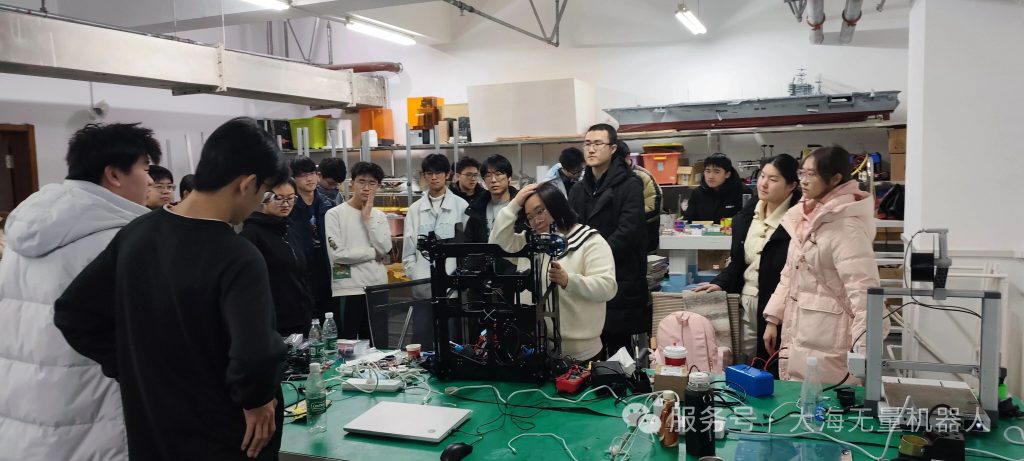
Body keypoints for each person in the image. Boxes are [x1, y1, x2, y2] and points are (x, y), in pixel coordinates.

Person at [54, 117, 289, 461]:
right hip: (223, 434)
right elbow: (254, 355)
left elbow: (74, 314)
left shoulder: (136, 233)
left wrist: (134, 369)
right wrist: (257, 399)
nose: (259, 203)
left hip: (153, 428)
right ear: (247, 183)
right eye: (264, 192)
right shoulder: (237, 255)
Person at [0, 123, 159, 461]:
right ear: (113, 174)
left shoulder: (21, 235)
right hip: (94, 413)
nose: (150, 180)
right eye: (145, 168)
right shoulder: (119, 241)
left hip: (24, 410)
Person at [763, 146, 885, 384]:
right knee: (800, 398)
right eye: (802, 173)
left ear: (836, 178)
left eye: (812, 174)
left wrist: (864, 351)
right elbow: (790, 274)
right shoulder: (804, 218)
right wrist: (773, 318)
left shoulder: (846, 226)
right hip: (802, 329)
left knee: (826, 400)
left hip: (830, 337)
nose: (804, 180)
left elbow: (864, 293)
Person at [693, 154, 801, 375]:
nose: (764, 183)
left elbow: (794, 274)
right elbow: (739, 262)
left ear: (791, 185)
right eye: (762, 176)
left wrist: (775, 317)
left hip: (779, 305)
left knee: (774, 368)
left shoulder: (798, 221)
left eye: (773, 179)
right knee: (744, 365)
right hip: (746, 302)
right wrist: (721, 282)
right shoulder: (746, 217)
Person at [489, 181, 617, 361]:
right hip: (534, 347)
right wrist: (514, 205)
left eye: (540, 211)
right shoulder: (530, 242)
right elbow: (497, 245)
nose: (537, 221)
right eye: (530, 217)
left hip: (581, 352)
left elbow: (607, 287)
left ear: (557, 205)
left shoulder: (590, 241)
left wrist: (569, 281)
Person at [567, 124, 648, 357]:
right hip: (586, 278)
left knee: (618, 352)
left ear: (612, 148)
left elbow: (629, 230)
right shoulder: (578, 189)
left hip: (620, 275)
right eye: (587, 144)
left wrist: (596, 256)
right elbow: (571, 228)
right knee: (589, 347)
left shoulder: (630, 184)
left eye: (597, 144)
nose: (591, 149)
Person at [324, 161, 392, 343]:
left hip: (377, 287)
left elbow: (385, 248)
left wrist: (368, 219)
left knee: (378, 345)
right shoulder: (334, 214)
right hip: (348, 288)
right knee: (346, 345)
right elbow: (338, 255)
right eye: (361, 181)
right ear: (352, 183)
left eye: (372, 183)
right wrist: (372, 253)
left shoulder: (379, 216)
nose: (366, 188)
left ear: (378, 186)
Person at [240, 178, 314, 337]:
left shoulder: (289, 231)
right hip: (274, 323)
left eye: (291, 198)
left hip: (301, 318)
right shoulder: (252, 234)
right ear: (264, 197)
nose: (286, 204)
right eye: (279, 198)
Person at [402, 154, 469, 297]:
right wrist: (416, 274)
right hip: (422, 287)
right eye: (429, 173)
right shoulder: (414, 210)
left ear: (447, 174)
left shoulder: (461, 206)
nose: (434, 177)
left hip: (453, 287)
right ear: (424, 176)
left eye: (438, 172)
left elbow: (467, 248)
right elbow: (408, 251)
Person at [289, 157, 336, 321]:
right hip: (302, 270)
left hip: (326, 267)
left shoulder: (328, 204)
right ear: (293, 179)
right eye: (302, 175)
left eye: (312, 173)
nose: (309, 179)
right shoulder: (289, 207)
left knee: (330, 318)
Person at [464, 154, 525, 244]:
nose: (493, 180)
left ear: (509, 177)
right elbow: (469, 243)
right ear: (484, 180)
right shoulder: (477, 208)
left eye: (498, 174)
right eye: (488, 175)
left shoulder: (522, 205)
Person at [619, 141, 664, 254]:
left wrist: (626, 217)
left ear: (627, 157)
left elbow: (653, 208)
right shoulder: (609, 177)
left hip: (643, 237)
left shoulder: (642, 176)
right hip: (618, 239)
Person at [684, 153, 751, 223]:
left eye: (716, 172)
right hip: (704, 230)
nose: (711, 176)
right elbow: (688, 220)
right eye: (708, 171)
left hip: (732, 230)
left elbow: (747, 220)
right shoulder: (697, 193)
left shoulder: (743, 192)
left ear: (727, 174)